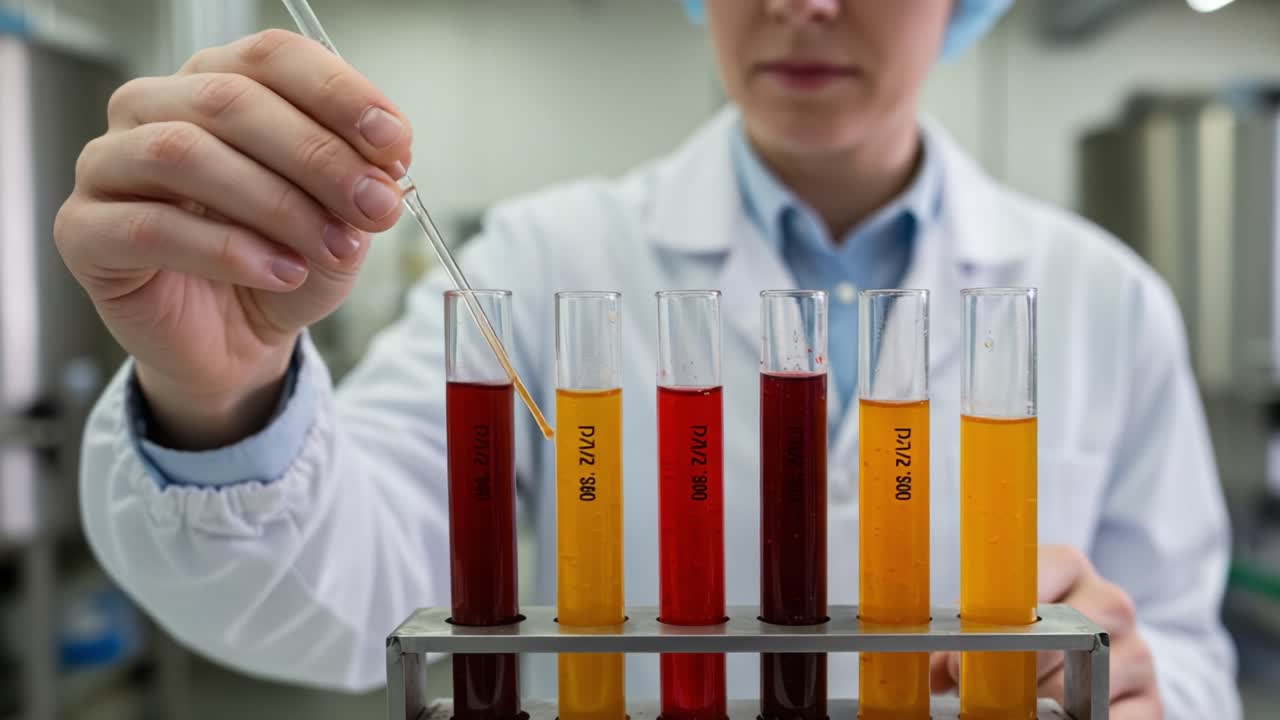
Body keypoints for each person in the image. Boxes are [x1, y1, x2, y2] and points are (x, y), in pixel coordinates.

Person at [55, 0, 1237, 716]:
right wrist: (220, 389)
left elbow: (1185, 650)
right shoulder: (543, 255)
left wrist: (1141, 689)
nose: (803, 3)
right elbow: (337, 598)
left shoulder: (1101, 297)